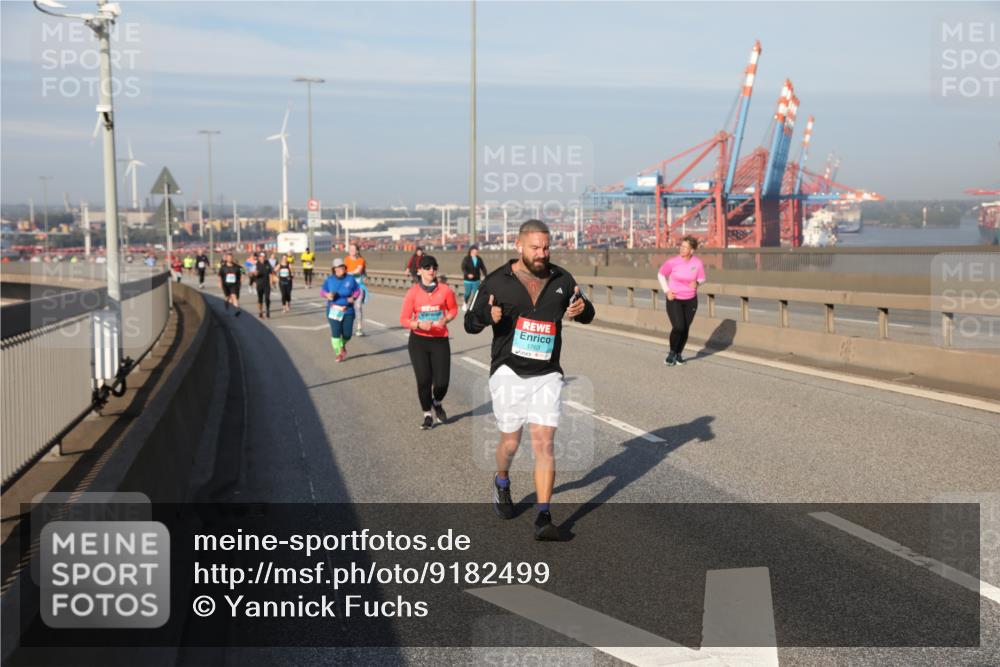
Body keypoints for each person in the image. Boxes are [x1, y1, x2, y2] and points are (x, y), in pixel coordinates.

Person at [464, 220, 595, 541]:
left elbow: (587, 312)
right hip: (508, 371)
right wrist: (486, 317)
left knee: (544, 443)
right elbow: (469, 322)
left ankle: (544, 516)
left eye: (546, 247)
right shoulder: (496, 282)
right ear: (519, 246)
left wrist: (583, 308)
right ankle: (502, 481)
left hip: (548, 373)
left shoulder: (562, 279)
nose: (542, 253)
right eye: (535, 248)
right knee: (510, 442)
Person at [399, 255, 458, 430]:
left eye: (434, 267)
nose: (431, 270)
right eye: (427, 267)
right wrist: (418, 324)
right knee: (424, 380)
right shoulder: (413, 293)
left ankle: (436, 402)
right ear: (419, 271)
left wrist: (446, 319)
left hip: (439, 340)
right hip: (419, 341)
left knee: (442, 382)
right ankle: (427, 415)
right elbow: (403, 319)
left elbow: (453, 309)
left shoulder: (445, 290)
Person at [657, 235, 706, 366]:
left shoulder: (697, 263)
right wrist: (667, 291)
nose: (682, 249)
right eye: (681, 246)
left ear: (692, 250)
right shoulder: (672, 262)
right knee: (678, 327)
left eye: (685, 247)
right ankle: (672, 353)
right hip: (675, 299)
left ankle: (679, 354)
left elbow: (702, 278)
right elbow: (661, 274)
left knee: (685, 328)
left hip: (691, 300)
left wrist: (697, 283)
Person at [321, 258, 361, 362]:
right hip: (334, 310)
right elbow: (322, 292)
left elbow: (357, 290)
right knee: (336, 333)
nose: (339, 270)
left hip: (348, 310)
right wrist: (327, 295)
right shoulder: (329, 280)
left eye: (341, 267)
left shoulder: (350, 279)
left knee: (347, 334)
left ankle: (342, 345)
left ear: (345, 268)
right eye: (336, 268)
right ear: (333, 269)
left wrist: (354, 298)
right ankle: (339, 353)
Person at [344, 242, 368, 336]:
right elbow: (343, 270)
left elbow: (358, 270)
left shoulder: (361, 260)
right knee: (347, 307)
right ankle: (346, 326)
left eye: (353, 249)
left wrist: (348, 273)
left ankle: (359, 328)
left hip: (358, 286)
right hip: (348, 286)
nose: (351, 251)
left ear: (357, 251)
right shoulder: (346, 259)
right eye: (350, 249)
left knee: (358, 307)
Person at [460, 245, 488, 312]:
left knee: (476, 293)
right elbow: (463, 268)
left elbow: (483, 268)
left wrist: (486, 275)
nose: (476, 252)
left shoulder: (479, 259)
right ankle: (465, 303)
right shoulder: (466, 259)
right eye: (475, 251)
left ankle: (474, 306)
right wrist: (467, 274)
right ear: (471, 251)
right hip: (468, 280)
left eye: (477, 251)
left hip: (476, 280)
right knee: (468, 293)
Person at [252, 251, 277, 318]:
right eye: (261, 257)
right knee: (260, 299)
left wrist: (271, 282)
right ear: (259, 257)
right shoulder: (255, 264)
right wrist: (255, 274)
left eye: (264, 257)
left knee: (267, 298)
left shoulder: (267, 263)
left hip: (267, 284)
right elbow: (251, 273)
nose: (263, 258)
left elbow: (271, 273)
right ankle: (260, 311)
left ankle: (268, 310)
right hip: (259, 284)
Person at [218, 252, 244, 316]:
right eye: (228, 258)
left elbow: (243, 271)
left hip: (234, 284)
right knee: (227, 297)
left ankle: (237, 309)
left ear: (232, 258)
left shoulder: (237, 267)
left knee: (234, 296)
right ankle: (226, 307)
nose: (230, 259)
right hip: (225, 285)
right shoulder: (223, 267)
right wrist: (220, 283)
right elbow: (219, 275)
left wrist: (242, 279)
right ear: (226, 258)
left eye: (231, 258)